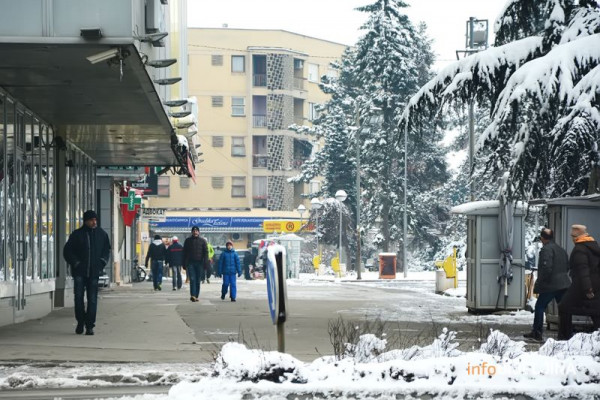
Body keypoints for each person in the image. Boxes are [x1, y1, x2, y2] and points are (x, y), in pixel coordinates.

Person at [63, 210, 111, 336]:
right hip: (79, 272)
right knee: (78, 298)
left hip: (94, 272)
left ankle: (90, 326)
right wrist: (76, 263)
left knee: (92, 299)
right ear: (86, 221)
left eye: (95, 220)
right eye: (91, 220)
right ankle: (80, 321)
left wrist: (102, 262)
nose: (94, 222)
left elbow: (106, 250)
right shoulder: (77, 235)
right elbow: (67, 251)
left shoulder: (101, 235)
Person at [524, 228, 570, 341]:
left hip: (551, 285)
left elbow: (546, 268)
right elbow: (567, 266)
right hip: (564, 284)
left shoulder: (546, 250)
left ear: (543, 238)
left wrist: (540, 283)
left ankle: (537, 332)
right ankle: (566, 334)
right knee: (564, 309)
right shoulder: (561, 250)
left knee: (540, 306)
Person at [558, 224, 600, 340]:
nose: (572, 239)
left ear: (577, 237)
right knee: (595, 312)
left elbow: (583, 269)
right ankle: (597, 338)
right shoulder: (593, 245)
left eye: (573, 236)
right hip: (595, 284)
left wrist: (588, 289)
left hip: (581, 285)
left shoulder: (579, 249)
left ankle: (565, 338)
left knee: (564, 307)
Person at [183, 226, 209, 302]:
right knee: (192, 279)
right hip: (191, 263)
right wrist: (184, 263)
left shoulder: (203, 241)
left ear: (199, 232)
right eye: (194, 231)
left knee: (198, 280)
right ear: (192, 232)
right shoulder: (187, 241)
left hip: (200, 263)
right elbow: (184, 253)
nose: (195, 232)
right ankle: (193, 295)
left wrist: (206, 262)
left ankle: (196, 295)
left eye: (196, 231)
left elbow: (206, 252)